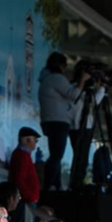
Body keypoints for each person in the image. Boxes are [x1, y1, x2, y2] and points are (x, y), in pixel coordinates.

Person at [37, 53, 75, 192]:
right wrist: (82, 82)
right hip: (58, 121)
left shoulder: (45, 79)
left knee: (55, 154)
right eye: (64, 66)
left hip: (49, 120)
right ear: (60, 65)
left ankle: (55, 184)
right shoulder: (57, 78)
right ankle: (49, 185)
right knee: (57, 155)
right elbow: (73, 94)